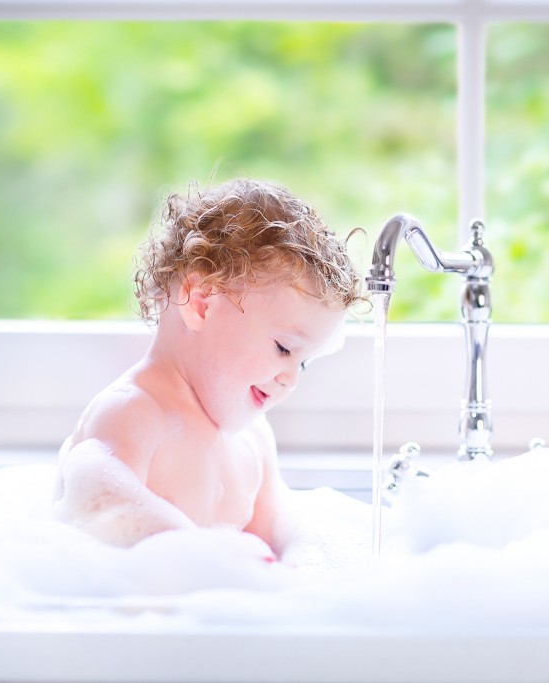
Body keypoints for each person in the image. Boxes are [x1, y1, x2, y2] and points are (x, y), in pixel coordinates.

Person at [53, 178, 364, 555]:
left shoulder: (255, 440)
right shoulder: (133, 413)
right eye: (284, 348)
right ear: (200, 304)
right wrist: (204, 558)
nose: (291, 379)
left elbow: (273, 554)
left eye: (305, 363)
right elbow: (101, 506)